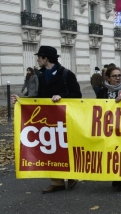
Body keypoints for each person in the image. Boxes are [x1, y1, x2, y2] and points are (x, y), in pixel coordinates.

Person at [11, 46, 82, 193]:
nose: (37, 59)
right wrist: (22, 101)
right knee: (52, 149)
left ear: (46, 58)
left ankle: (72, 176)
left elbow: (77, 95)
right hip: (49, 119)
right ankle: (57, 182)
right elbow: (40, 98)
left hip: (66, 118)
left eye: (39, 57)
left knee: (66, 147)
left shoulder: (66, 74)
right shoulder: (41, 76)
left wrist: (62, 96)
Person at [96, 66, 121, 191]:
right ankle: (114, 176)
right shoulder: (101, 92)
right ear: (108, 78)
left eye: (119, 75)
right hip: (108, 127)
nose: (118, 78)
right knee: (111, 152)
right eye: (114, 76)